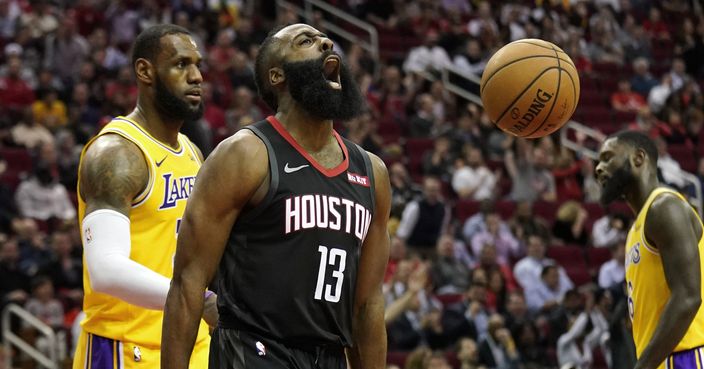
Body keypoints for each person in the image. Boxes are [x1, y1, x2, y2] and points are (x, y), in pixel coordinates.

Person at [161, 23, 391, 369]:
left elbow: (367, 304)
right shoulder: (245, 154)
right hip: (254, 350)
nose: (327, 42)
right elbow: (188, 282)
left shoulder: (372, 172)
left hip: (328, 357)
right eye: (306, 41)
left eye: (326, 39)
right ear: (277, 76)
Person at [72, 24, 214, 369]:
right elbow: (105, 269)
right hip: (126, 348)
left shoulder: (191, 152)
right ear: (145, 71)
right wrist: (200, 299)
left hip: (193, 343)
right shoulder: (117, 153)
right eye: (181, 64)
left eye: (197, 65)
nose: (196, 76)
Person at [595, 130, 704, 369]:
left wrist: (642, 366)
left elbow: (688, 297)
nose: (598, 168)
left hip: (687, 357)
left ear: (638, 158)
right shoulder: (637, 227)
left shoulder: (664, 206)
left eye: (607, 157)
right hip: (664, 360)